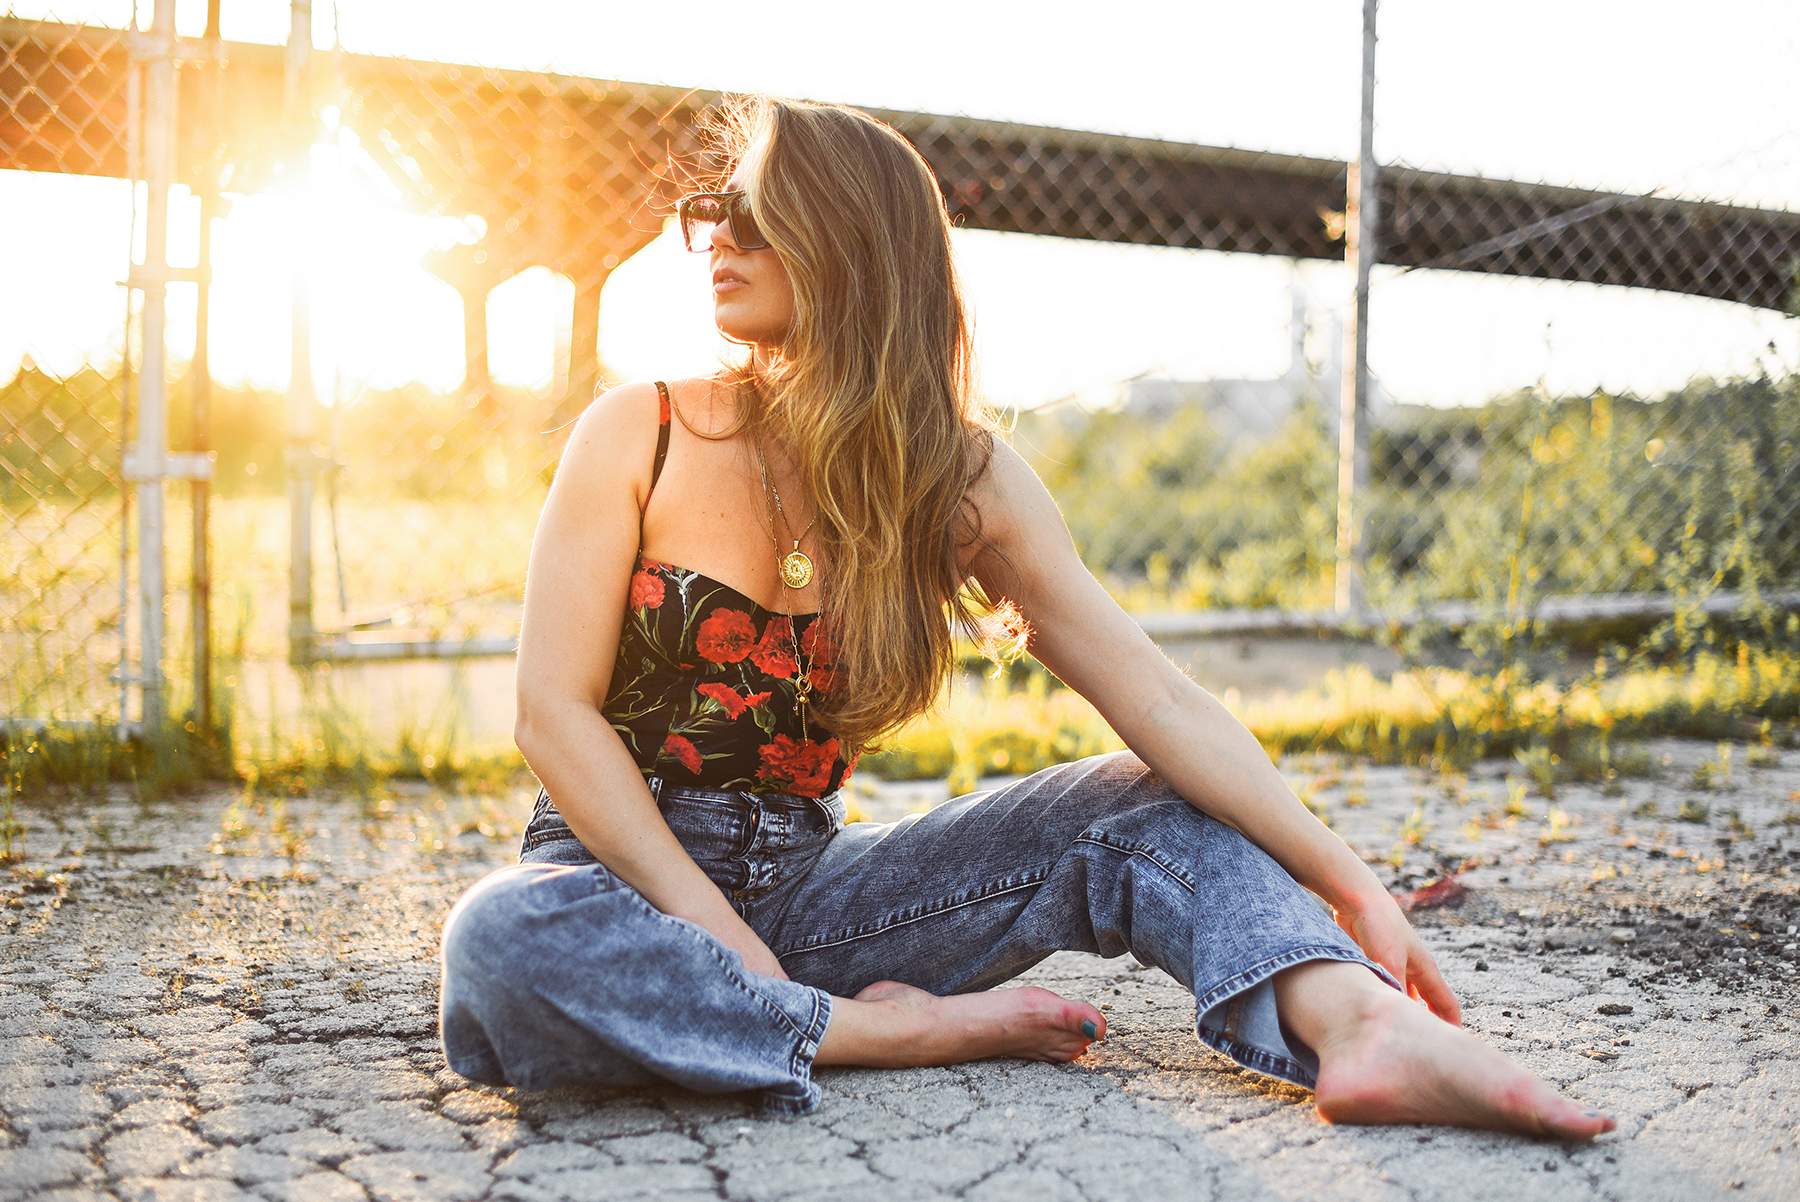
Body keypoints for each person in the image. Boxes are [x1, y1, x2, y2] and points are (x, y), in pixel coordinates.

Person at [438, 95, 1614, 1140]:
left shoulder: (960, 480)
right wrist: (728, 951)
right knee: (497, 941)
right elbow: (553, 713)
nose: (718, 240)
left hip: (813, 900)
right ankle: (881, 1033)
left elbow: (1152, 696)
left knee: (1136, 801)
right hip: (613, 889)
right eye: (715, 212)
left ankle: (1357, 1028)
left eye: (758, 212)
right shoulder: (636, 430)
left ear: (850, 238)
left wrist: (1348, 875)